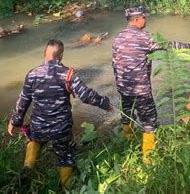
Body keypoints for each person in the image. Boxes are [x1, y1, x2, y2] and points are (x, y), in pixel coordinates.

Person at [8, 39, 112, 189]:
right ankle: (65, 187)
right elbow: (86, 95)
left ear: (44, 54)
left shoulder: (32, 74)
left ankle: (28, 166)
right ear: (61, 56)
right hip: (61, 128)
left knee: (34, 139)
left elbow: (23, 101)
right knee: (65, 157)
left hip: (39, 126)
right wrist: (105, 103)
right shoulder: (68, 74)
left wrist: (14, 122)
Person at [112, 6, 190, 163]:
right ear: (136, 19)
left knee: (127, 112)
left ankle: (128, 141)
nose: (145, 19)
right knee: (150, 123)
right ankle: (148, 160)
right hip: (140, 89)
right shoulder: (144, 37)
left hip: (123, 86)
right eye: (144, 17)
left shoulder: (118, 38)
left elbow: (115, 63)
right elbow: (168, 45)